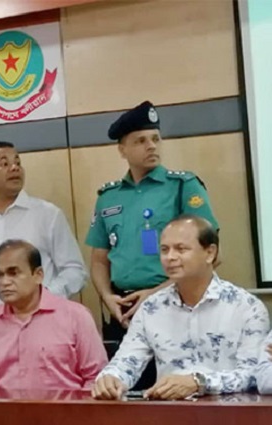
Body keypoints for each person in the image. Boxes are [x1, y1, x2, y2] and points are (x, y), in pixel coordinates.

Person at [86, 101, 220, 389]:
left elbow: (211, 253)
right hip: (123, 309)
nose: (151, 146)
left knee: (179, 389)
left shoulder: (182, 186)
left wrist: (155, 293)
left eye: (156, 139)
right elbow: (99, 258)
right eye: (141, 141)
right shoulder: (108, 196)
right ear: (122, 149)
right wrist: (108, 298)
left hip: (175, 302)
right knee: (128, 392)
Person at [92, 215, 269, 400]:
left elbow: (254, 374)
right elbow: (126, 361)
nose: (170, 257)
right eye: (164, 250)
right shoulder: (151, 308)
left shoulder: (247, 308)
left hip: (230, 411)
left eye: (181, 249)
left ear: (210, 253)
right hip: (170, 411)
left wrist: (199, 382)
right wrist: (110, 378)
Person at [0, 141, 86, 308]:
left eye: (18, 162)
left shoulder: (47, 214)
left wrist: (45, 297)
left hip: (41, 316)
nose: (14, 168)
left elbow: (74, 270)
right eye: (4, 164)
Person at [0, 239, 106, 391]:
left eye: (13, 273)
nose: (4, 282)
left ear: (38, 275)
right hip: (5, 406)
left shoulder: (76, 317)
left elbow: (96, 378)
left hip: (66, 406)